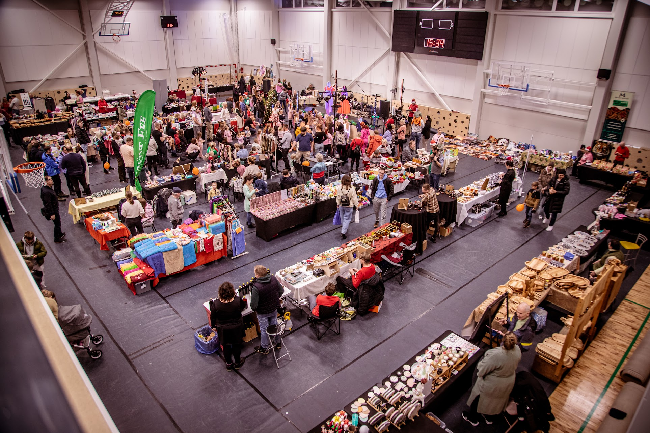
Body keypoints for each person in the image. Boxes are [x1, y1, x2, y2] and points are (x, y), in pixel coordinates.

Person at [462, 332, 521, 427]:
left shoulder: (495, 354)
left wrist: (480, 372)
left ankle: (472, 418)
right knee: (495, 403)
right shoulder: (517, 350)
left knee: (478, 400)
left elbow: (482, 370)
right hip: (508, 382)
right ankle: (489, 417)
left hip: (492, 385)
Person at [210, 281, 247, 371]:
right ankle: (237, 363)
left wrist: (213, 326)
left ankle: (228, 364)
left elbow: (213, 317)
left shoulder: (216, 304)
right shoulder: (238, 300)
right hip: (236, 328)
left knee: (226, 347)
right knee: (236, 345)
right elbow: (243, 306)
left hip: (223, 330)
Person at [251, 265, 284, 355]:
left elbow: (253, 305)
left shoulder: (256, 287)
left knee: (264, 329)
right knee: (274, 325)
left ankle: (264, 348)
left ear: (257, 275)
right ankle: (278, 343)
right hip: (273, 308)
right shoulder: (273, 278)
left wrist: (256, 309)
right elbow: (281, 291)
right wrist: (275, 299)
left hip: (262, 312)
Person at [41, 176, 65, 243]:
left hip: (55, 208)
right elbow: (48, 203)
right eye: (49, 179)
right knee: (57, 224)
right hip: (53, 210)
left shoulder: (47, 189)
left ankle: (60, 233)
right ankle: (57, 238)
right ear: (46, 181)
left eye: (51, 179)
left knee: (58, 222)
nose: (51, 180)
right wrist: (52, 213)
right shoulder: (47, 192)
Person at [337, 174, 359, 240]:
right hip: (349, 206)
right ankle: (343, 232)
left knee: (342, 218)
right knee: (347, 219)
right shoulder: (352, 189)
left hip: (341, 205)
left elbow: (338, 197)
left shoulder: (339, 188)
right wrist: (356, 205)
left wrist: (338, 204)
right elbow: (354, 198)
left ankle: (344, 227)